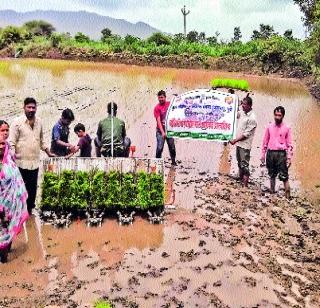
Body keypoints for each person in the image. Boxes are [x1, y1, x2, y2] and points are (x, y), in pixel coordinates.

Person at [9, 98, 55, 215]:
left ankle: (29, 212)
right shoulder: (17, 122)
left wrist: (48, 151)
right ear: (23, 107)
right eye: (28, 107)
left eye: (33, 107)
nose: (31, 110)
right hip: (20, 163)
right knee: (19, 190)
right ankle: (18, 212)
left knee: (32, 189)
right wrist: (12, 157)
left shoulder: (39, 122)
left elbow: (41, 141)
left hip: (34, 162)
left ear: (36, 108)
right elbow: (11, 143)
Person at [0, 133, 29, 263]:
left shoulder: (9, 162)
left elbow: (17, 181)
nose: (0, 146)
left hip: (11, 205)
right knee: (3, 233)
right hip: (1, 206)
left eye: (2, 144)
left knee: (8, 231)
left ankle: (5, 261)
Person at [261, 106, 293, 199]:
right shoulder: (269, 127)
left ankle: (288, 196)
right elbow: (264, 142)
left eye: (279, 115)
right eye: (275, 115)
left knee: (284, 176)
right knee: (271, 175)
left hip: (281, 154)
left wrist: (289, 158)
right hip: (270, 153)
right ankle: (272, 193)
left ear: (283, 116)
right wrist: (263, 155)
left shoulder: (287, 128)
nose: (277, 117)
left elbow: (290, 144)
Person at [229, 94, 257, 187]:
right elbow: (232, 114)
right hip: (239, 143)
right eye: (242, 104)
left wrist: (235, 140)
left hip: (245, 145)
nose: (243, 106)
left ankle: (245, 185)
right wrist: (237, 104)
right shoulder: (242, 112)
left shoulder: (252, 118)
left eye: (244, 104)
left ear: (250, 106)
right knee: (239, 161)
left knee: (244, 164)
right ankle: (240, 178)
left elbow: (246, 134)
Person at [154, 90, 176, 165]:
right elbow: (158, 121)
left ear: (165, 97)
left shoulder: (169, 104)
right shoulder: (157, 108)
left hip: (169, 131)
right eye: (159, 98)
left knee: (172, 147)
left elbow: (177, 110)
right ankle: (157, 163)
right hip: (160, 132)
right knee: (159, 148)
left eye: (162, 97)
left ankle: (173, 162)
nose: (161, 99)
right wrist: (163, 132)